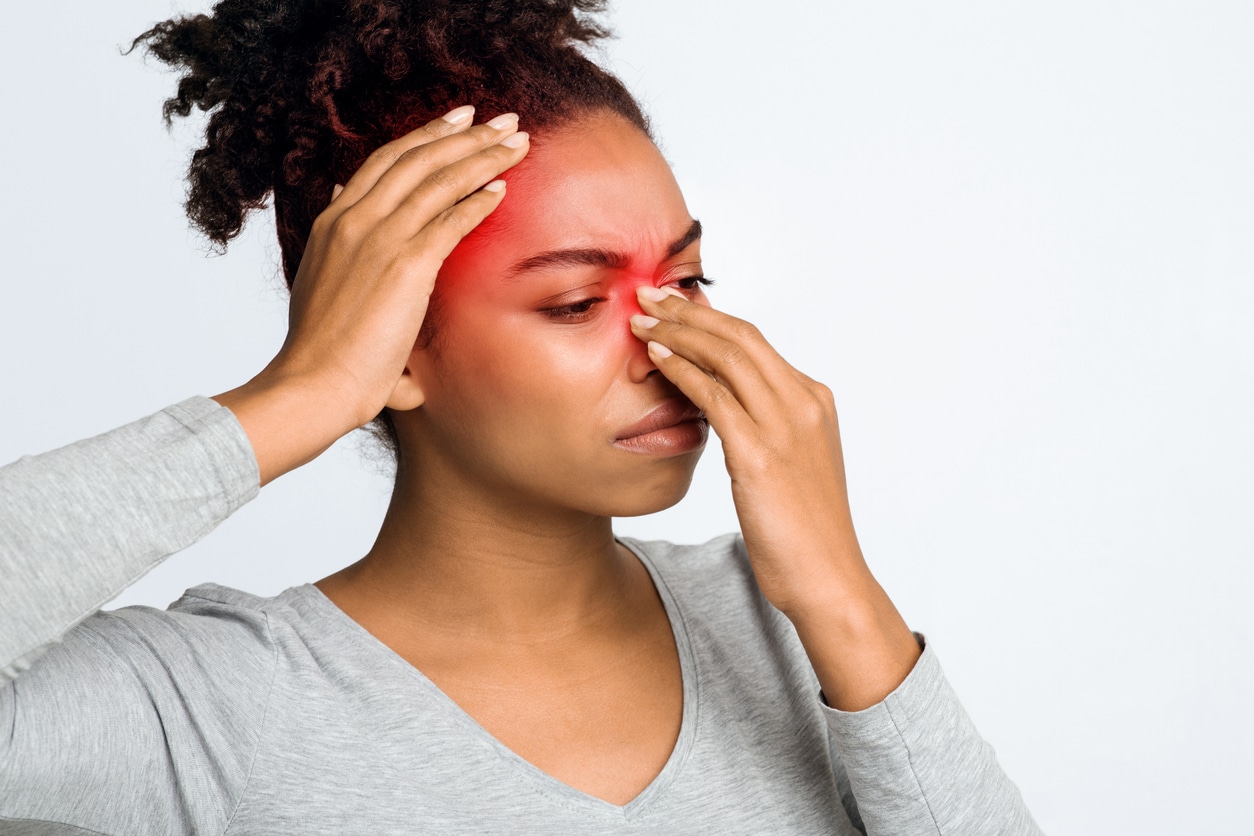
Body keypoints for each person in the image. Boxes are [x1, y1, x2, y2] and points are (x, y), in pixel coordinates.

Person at [0, 1, 1042, 833]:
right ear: (395, 345)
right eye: (577, 302)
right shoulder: (204, 706)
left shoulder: (797, 630)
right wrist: (295, 397)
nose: (666, 343)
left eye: (687, 275)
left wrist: (845, 602)